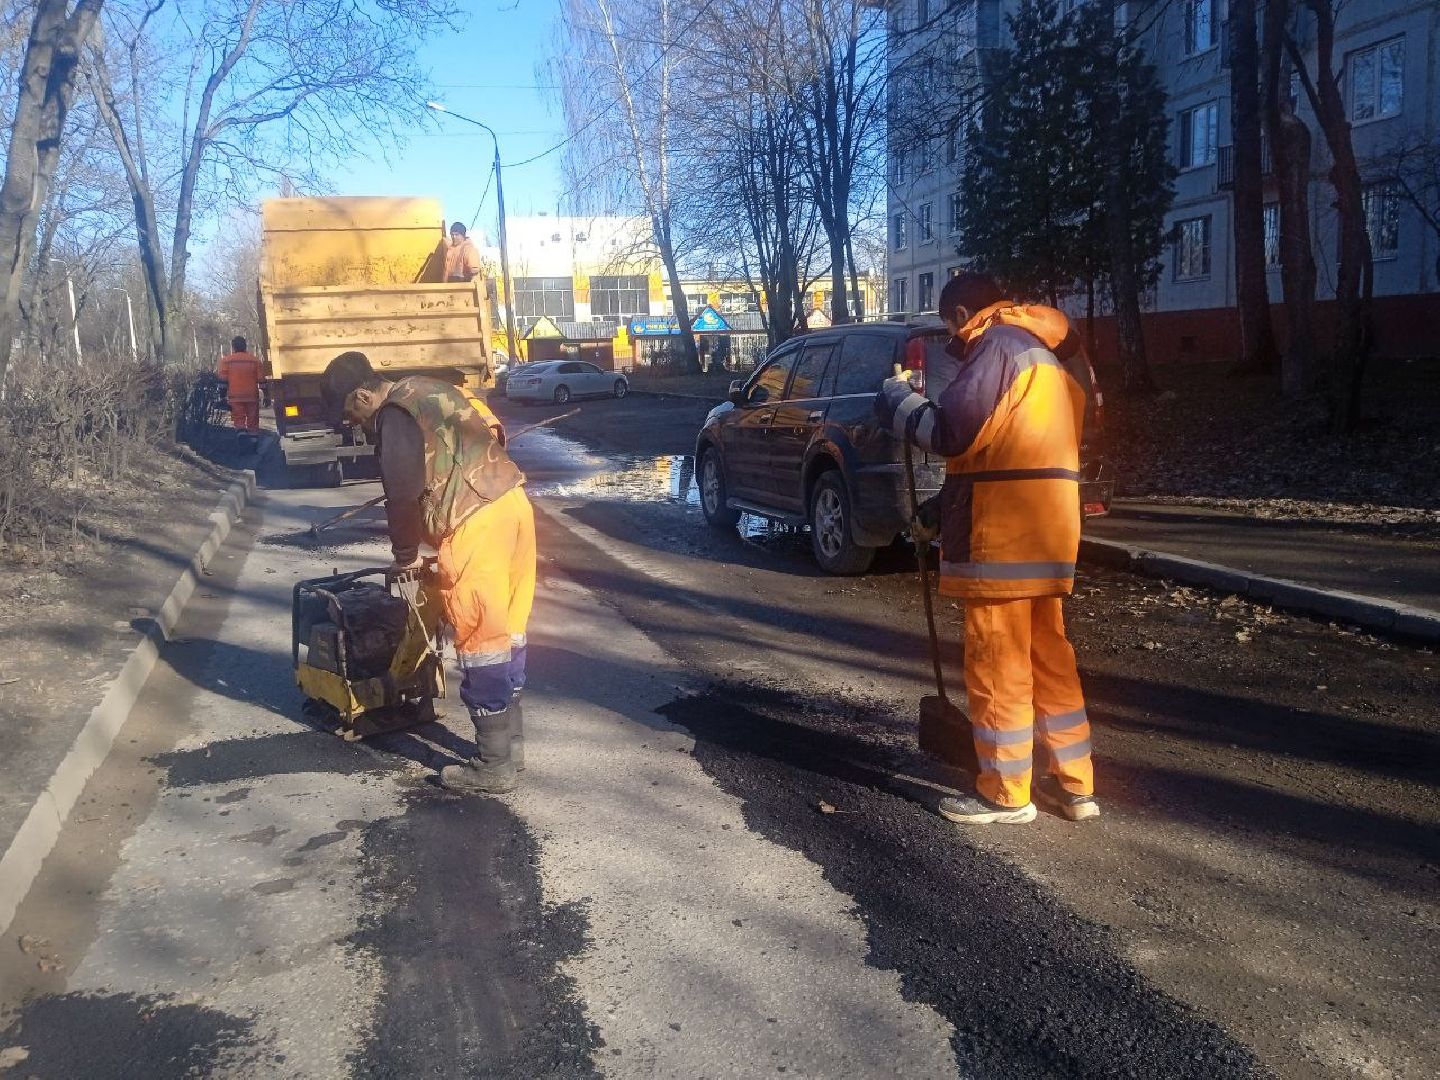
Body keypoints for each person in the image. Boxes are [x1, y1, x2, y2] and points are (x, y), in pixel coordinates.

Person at [875, 272, 1098, 825]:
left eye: (949, 322)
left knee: (998, 662)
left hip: (1002, 535)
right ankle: (1076, 787)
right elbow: (1006, 445)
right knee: (1050, 657)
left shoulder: (996, 347)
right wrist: (941, 508)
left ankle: (1005, 793)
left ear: (958, 314)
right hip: (1047, 530)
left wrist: (899, 403)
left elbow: (953, 433)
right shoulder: (1047, 353)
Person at [322, 351, 535, 795]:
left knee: (481, 641)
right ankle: (510, 749)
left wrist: (405, 555)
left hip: (474, 524)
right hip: (512, 506)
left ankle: (495, 767)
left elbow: (401, 490)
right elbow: (494, 431)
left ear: (364, 394)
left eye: (353, 414)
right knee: (508, 631)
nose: (357, 426)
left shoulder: (394, 412)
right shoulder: (435, 389)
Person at [216, 336, 262, 434]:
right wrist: (266, 396)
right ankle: (253, 444)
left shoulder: (226, 361)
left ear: (233, 347)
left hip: (235, 397)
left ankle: (242, 441)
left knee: (239, 421)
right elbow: (262, 380)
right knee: (253, 423)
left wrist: (222, 397)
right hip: (252, 397)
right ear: (245, 346)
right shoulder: (255, 361)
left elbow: (223, 382)